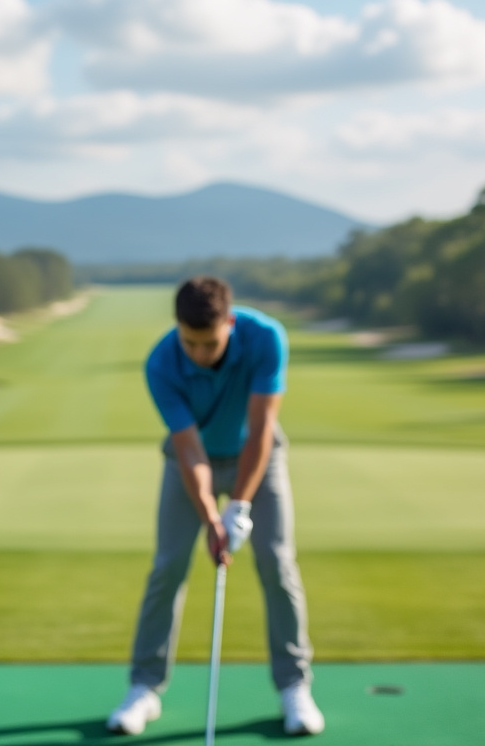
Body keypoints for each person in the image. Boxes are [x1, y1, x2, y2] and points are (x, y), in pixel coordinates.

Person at [107, 276, 324, 737]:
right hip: (194, 460)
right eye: (190, 342)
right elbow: (189, 451)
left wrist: (240, 506)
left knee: (276, 561)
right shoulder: (162, 362)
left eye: (209, 344)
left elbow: (262, 428)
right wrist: (211, 517)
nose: (199, 354)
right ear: (177, 328)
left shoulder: (266, 337)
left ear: (230, 321)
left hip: (258, 458)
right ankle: (144, 688)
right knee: (168, 567)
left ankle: (294, 687)